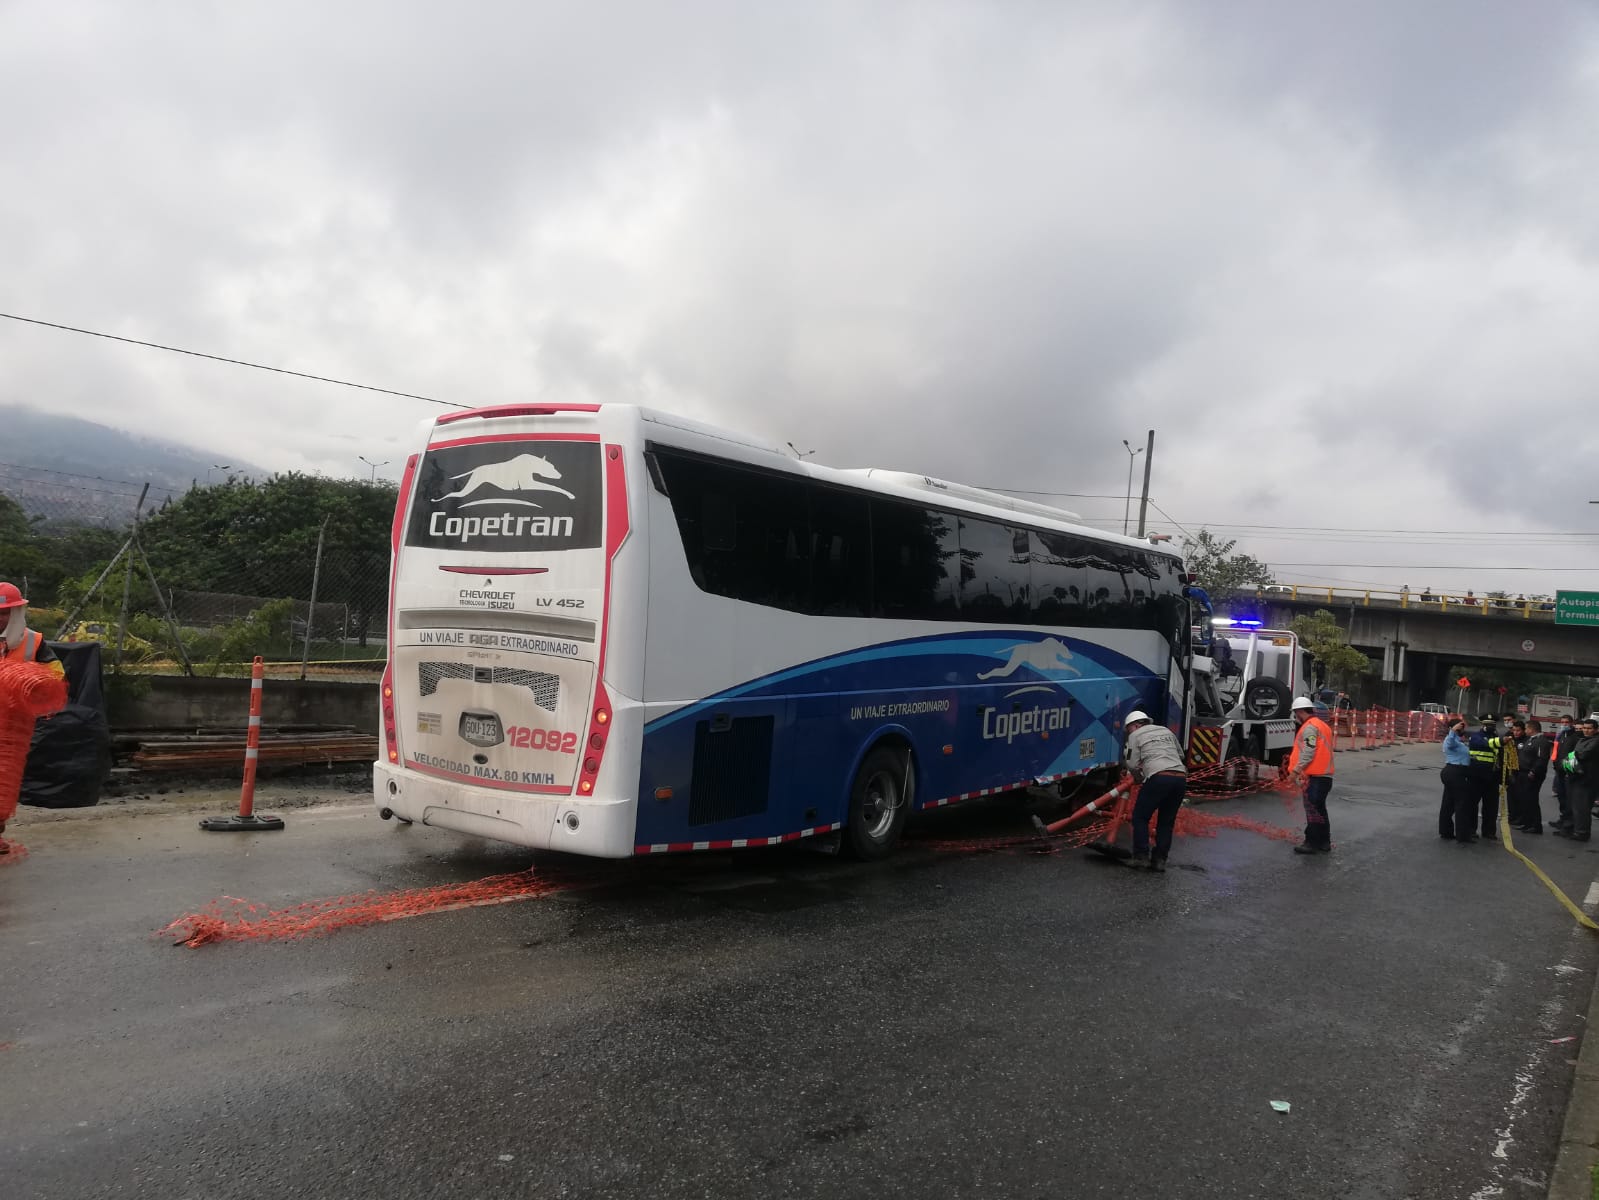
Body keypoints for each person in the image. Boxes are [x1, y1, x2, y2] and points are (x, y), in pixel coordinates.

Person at [0, 581, 66, 853]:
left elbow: (56, 674)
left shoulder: (33, 641)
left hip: (14, 726)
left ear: (16, 614)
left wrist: (31, 685)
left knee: (3, 782)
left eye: (5, 612)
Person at [1121, 710, 1187, 873]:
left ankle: (1141, 857)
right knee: (1166, 821)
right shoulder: (1166, 730)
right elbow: (1180, 754)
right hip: (1180, 778)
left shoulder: (1135, 736)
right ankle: (1159, 861)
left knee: (1140, 817)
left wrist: (1138, 778)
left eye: (1129, 728)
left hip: (1159, 777)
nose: (1129, 732)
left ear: (1135, 725)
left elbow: (1130, 762)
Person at [1289, 696, 1335, 854]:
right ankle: (1324, 842)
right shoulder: (1323, 726)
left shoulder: (1310, 727)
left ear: (1301, 711)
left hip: (1316, 777)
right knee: (1320, 810)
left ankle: (1311, 842)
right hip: (1324, 777)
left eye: (1296, 713)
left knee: (1312, 810)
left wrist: (1294, 772)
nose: (1296, 717)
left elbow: (1308, 752)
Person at [1557, 718, 1599, 843]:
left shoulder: (1596, 741)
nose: (1586, 730)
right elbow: (1573, 755)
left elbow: (1582, 754)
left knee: (1582, 807)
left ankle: (1582, 832)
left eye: (1589, 728)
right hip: (1576, 777)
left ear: (1596, 730)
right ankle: (1575, 829)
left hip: (1587, 779)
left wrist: (1571, 756)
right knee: (1575, 806)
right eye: (1584, 728)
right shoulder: (1582, 739)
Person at [1510, 719, 1549, 834]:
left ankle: (1536, 825)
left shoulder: (1541, 741)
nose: (1525, 730)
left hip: (1532, 774)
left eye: (1526, 728)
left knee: (1531, 800)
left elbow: (1541, 759)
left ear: (1532, 729)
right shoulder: (1531, 740)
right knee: (1525, 800)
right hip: (1522, 772)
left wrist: (1533, 771)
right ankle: (1527, 823)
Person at [1440, 718, 1474, 842]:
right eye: (1459, 728)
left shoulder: (1459, 741)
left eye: (1462, 728)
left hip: (1453, 772)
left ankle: (1446, 831)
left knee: (1448, 803)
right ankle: (1463, 836)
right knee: (1462, 803)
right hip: (1454, 772)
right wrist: (1453, 731)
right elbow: (1449, 744)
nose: (1461, 730)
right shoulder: (1451, 739)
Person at [1550, 715, 1579, 834]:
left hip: (1568, 773)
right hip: (1559, 771)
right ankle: (1562, 820)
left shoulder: (1574, 737)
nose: (1564, 724)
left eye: (1567, 722)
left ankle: (1568, 826)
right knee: (1561, 797)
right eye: (1562, 722)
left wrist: (1569, 771)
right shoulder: (1562, 735)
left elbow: (1573, 756)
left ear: (1572, 723)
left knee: (1568, 800)